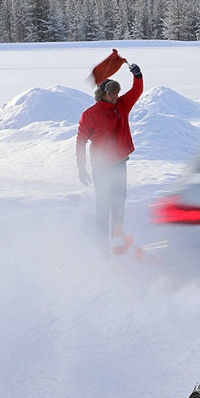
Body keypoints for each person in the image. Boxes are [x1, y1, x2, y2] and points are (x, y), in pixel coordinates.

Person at [76, 61, 143, 255]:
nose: (115, 97)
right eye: (111, 94)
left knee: (119, 206)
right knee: (103, 208)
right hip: (101, 168)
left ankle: (118, 242)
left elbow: (136, 92)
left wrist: (137, 76)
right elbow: (81, 141)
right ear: (102, 94)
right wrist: (81, 167)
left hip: (120, 165)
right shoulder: (90, 115)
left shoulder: (122, 106)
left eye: (116, 93)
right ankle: (102, 248)